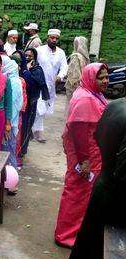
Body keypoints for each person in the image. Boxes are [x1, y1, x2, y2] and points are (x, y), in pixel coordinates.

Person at [66, 87, 126, 259]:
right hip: (117, 203)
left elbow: (97, 135)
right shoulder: (89, 99)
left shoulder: (115, 105)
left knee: (86, 249)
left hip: (103, 186)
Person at [55, 63, 109, 248]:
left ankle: (75, 232)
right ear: (90, 78)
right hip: (85, 155)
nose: (105, 81)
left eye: (106, 77)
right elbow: (79, 133)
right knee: (77, 194)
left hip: (91, 153)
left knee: (83, 194)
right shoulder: (86, 99)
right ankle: (66, 236)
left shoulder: (92, 93)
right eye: (100, 77)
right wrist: (84, 161)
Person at [33, 29, 68, 143]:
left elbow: (64, 67)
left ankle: (33, 129)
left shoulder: (61, 53)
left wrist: (60, 75)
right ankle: (38, 131)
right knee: (39, 107)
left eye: (56, 38)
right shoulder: (39, 50)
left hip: (51, 85)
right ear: (47, 37)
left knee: (43, 107)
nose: (54, 40)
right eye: (52, 38)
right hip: (37, 84)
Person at [19, 48, 49, 160]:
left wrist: (27, 70)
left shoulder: (37, 70)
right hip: (19, 104)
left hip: (30, 104)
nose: (27, 58)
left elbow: (30, 83)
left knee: (26, 127)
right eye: (25, 56)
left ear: (34, 58)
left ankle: (22, 151)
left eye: (30, 56)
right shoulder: (19, 68)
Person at [1, 57, 23, 170]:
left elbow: (12, 103)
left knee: (8, 151)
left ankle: (11, 182)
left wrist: (7, 124)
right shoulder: (15, 79)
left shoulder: (11, 81)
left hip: (9, 122)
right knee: (9, 150)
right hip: (12, 121)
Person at [65, 36, 90, 110]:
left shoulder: (77, 57)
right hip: (81, 87)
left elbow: (73, 77)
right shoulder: (81, 57)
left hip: (77, 88)